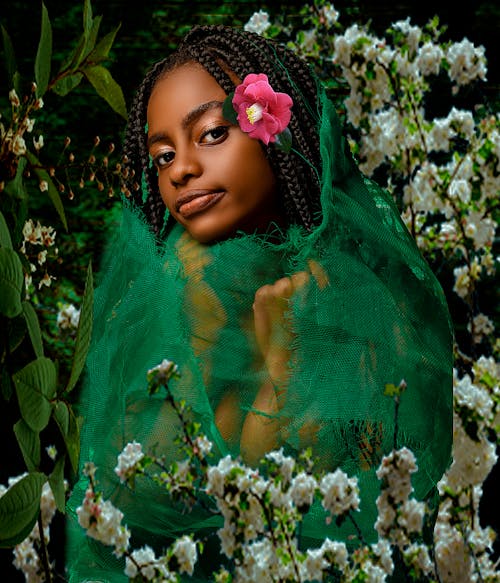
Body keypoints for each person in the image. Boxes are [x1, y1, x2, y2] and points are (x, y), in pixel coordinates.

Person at [65, 24, 453, 581]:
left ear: (275, 131)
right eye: (163, 154)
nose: (181, 169)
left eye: (213, 134)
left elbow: (371, 506)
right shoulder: (163, 292)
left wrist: (286, 379)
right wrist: (203, 348)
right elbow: (129, 498)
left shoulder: (347, 293)